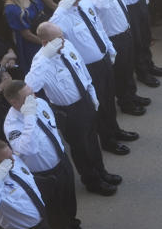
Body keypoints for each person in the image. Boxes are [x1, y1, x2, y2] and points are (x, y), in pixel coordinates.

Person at [3, 83, 100, 229]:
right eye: (27, 97)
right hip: (43, 174)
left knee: (69, 200)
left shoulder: (40, 103)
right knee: (56, 211)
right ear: (14, 102)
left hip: (60, 161)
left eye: (32, 93)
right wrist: (29, 116)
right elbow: (29, 148)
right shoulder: (12, 124)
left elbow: (52, 129)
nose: (33, 99)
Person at [24, 23, 119, 196]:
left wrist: (92, 95)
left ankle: (101, 172)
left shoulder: (66, 45)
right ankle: (92, 181)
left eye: (62, 35)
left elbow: (81, 69)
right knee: (81, 148)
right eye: (58, 38)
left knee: (92, 141)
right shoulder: (40, 62)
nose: (63, 40)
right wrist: (45, 56)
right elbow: (30, 86)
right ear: (45, 43)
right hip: (69, 112)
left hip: (85, 102)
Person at [51, 0, 137, 156]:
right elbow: (63, 53)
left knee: (109, 99)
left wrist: (110, 50)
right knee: (100, 107)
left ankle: (116, 130)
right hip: (89, 69)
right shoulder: (59, 20)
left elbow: (99, 28)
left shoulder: (85, 4)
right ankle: (108, 140)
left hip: (103, 60)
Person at [84, 0, 148, 117]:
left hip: (125, 31)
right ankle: (126, 102)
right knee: (121, 72)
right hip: (114, 38)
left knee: (128, 67)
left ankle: (132, 95)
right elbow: (102, 4)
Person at [0, 0, 45, 76]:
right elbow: (27, 35)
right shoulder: (11, 9)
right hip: (34, 43)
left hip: (44, 32)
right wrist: (45, 42)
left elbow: (43, 14)